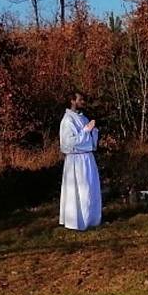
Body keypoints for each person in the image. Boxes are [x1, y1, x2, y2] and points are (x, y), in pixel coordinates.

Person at [59, 92, 102, 230]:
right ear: (72, 101)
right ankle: (76, 221)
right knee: (79, 190)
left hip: (87, 159)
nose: (83, 102)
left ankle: (90, 218)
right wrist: (85, 131)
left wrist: (93, 132)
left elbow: (89, 140)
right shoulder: (67, 120)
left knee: (90, 190)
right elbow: (68, 142)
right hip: (76, 161)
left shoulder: (83, 118)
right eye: (80, 100)